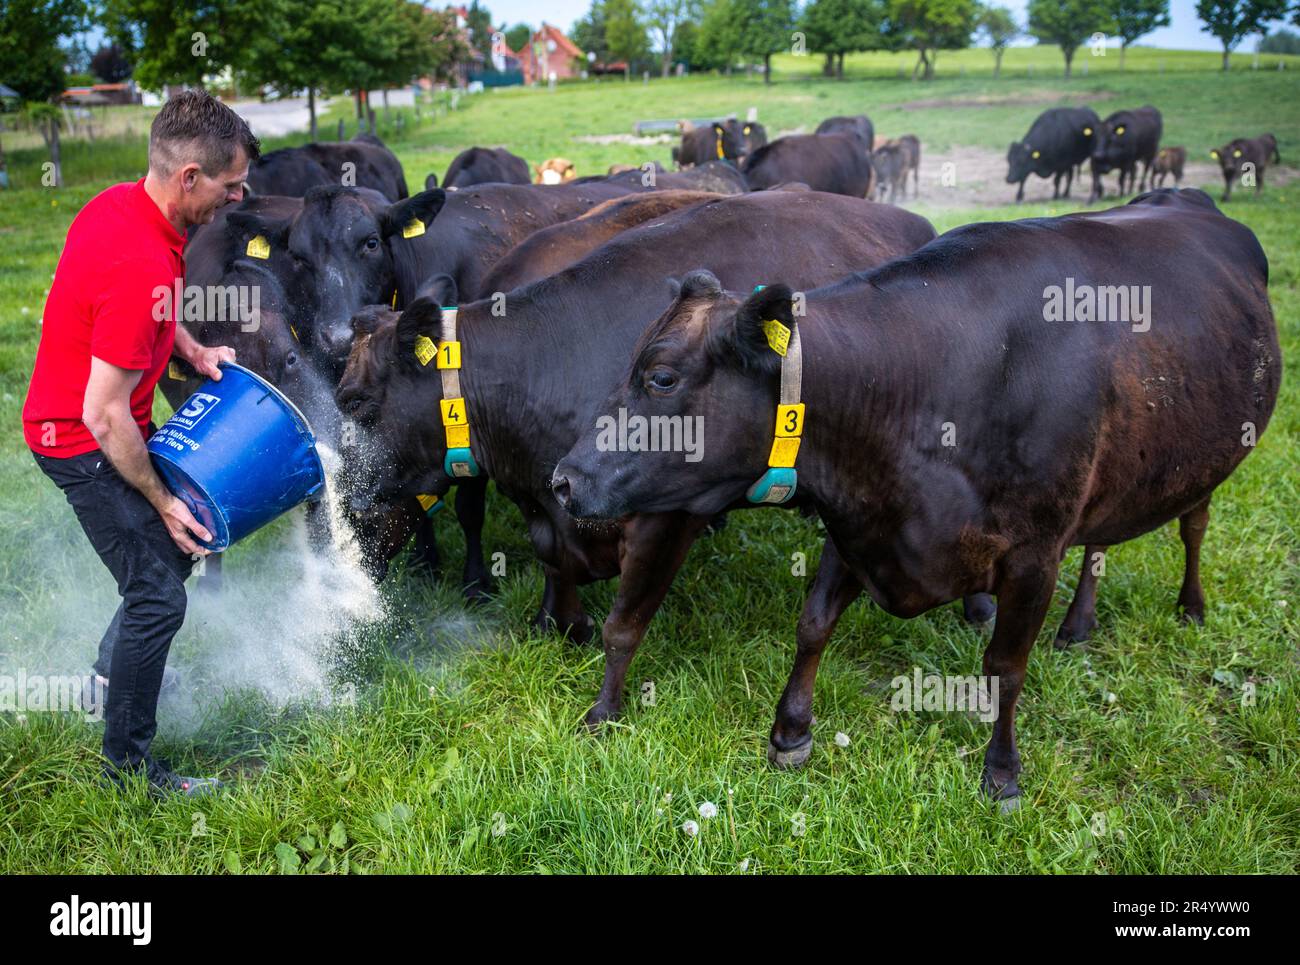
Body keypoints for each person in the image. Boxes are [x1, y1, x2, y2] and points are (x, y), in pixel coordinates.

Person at [22, 90, 260, 796]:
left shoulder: (121, 208)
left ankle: (107, 678)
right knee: (159, 592)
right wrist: (159, 499)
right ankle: (129, 771)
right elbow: (103, 415)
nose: (240, 196)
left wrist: (188, 345)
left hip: (101, 419)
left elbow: (136, 314)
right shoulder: (140, 263)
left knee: (169, 560)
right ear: (190, 177)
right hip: (80, 438)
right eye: (231, 184)